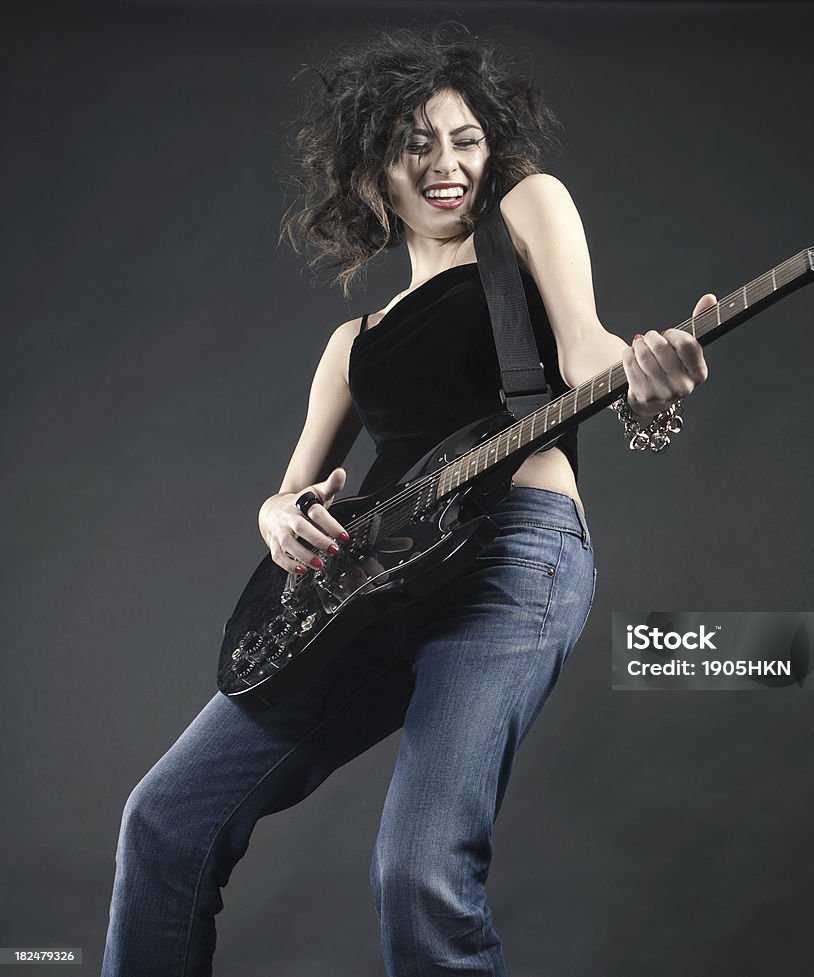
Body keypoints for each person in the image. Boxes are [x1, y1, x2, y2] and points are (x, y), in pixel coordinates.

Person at [100, 22, 711, 977]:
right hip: (368, 587)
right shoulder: (352, 342)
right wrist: (277, 516)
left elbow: (590, 351)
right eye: (416, 142)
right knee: (164, 821)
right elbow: (288, 494)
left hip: (514, 553)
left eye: (465, 139)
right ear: (371, 168)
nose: (447, 163)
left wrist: (645, 381)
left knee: (417, 872)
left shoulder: (528, 212)